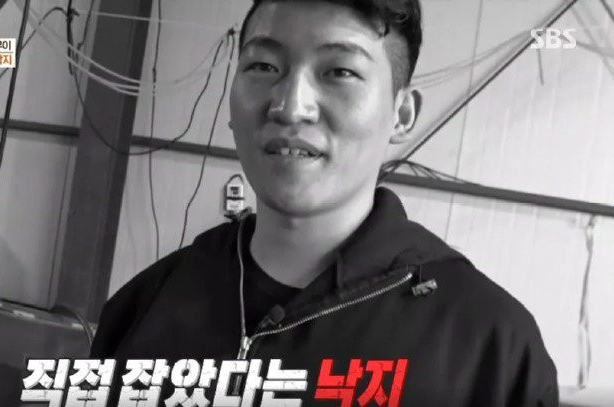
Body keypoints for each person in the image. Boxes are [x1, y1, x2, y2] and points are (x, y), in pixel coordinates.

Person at [91, 0, 558, 405]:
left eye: (340, 72)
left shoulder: (489, 350)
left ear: (401, 114)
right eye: (263, 67)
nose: (290, 106)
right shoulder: (144, 307)